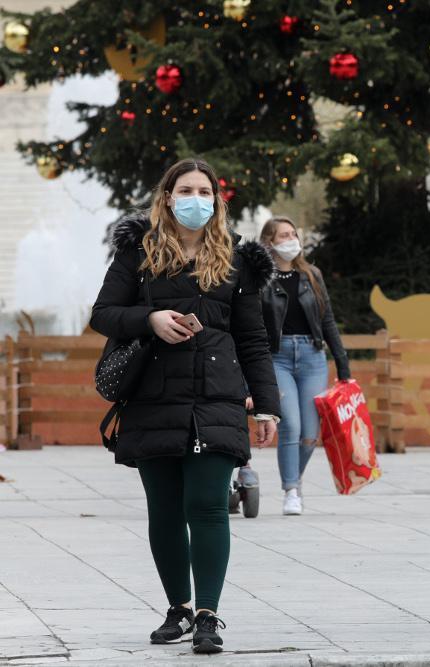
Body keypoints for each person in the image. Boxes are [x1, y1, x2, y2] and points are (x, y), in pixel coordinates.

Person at [90, 158, 281, 654]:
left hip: (216, 397)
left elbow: (254, 339)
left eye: (205, 190)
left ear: (217, 199)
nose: (196, 198)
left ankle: (207, 615)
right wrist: (150, 318)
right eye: (185, 189)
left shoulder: (239, 259)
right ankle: (177, 606)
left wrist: (267, 407)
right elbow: (103, 314)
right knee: (167, 510)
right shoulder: (139, 251)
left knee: (209, 506)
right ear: (167, 197)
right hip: (153, 398)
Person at [259, 216, 351, 515]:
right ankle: (291, 490)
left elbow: (327, 320)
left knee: (311, 433)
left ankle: (294, 478)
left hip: (312, 357)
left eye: (293, 234)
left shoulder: (312, 275)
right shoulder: (263, 279)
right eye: (283, 236)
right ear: (269, 242)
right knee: (292, 426)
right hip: (278, 357)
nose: (291, 240)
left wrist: (343, 364)